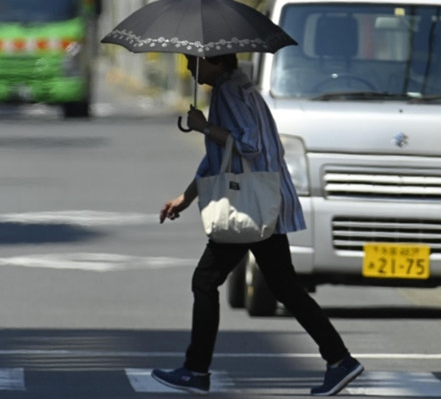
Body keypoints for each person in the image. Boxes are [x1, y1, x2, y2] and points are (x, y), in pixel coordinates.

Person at [151, 53, 363, 396]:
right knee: (284, 287)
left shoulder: (229, 92)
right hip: (262, 201)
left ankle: (196, 370)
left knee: (205, 281)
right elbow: (220, 155)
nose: (190, 69)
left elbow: (247, 144)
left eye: (195, 61)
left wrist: (204, 126)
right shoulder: (240, 88)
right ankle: (340, 359)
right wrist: (186, 197)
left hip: (248, 204)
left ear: (216, 61)